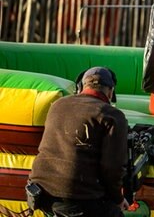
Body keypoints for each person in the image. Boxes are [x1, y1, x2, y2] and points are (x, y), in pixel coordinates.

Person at [28, 67, 130, 217]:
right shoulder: (113, 116)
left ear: (81, 87)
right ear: (111, 91)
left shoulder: (57, 105)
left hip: (39, 191)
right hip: (76, 197)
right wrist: (118, 198)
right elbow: (112, 167)